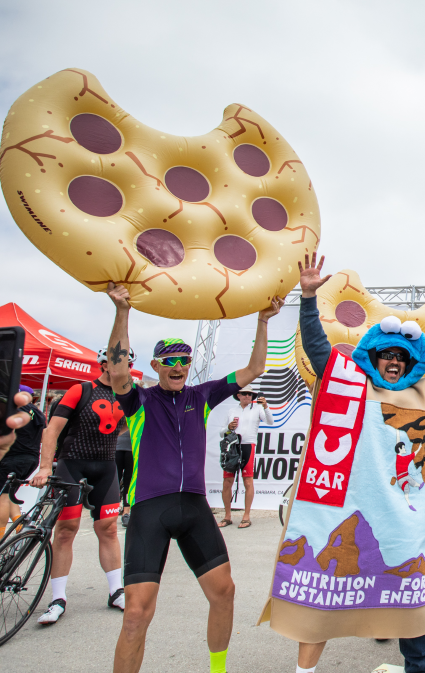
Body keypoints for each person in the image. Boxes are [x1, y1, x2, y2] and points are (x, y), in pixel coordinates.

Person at [266, 254, 425, 673]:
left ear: (409, 361)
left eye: (401, 355)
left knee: (408, 600)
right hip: (345, 509)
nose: (393, 360)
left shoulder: (423, 391)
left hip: (401, 517)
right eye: (386, 354)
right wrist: (308, 298)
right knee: (323, 598)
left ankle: (417, 667)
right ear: (374, 357)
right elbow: (319, 350)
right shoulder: (348, 384)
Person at [103, 281, 282, 673]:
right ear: (155, 367)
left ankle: (218, 670)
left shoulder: (201, 395)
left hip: (194, 508)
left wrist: (263, 320)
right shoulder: (139, 400)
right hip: (151, 509)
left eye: (183, 359)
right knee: (136, 614)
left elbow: (254, 369)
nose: (179, 366)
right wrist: (122, 311)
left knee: (225, 592)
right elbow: (117, 374)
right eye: (169, 361)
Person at [30, 348, 136, 624]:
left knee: (109, 529)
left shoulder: (128, 395)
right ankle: (57, 599)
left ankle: (116, 591)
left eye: (127, 364)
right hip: (72, 465)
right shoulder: (81, 390)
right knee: (66, 531)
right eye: (117, 363)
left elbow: (127, 428)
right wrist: (44, 468)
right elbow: (51, 430)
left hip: (105, 468)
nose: (122, 368)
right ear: (103, 364)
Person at [219, 386, 274, 529]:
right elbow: (221, 432)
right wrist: (228, 428)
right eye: (244, 394)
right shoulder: (232, 411)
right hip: (232, 446)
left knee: (248, 481)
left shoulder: (257, 409)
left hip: (248, 445)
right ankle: (227, 516)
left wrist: (266, 406)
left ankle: (246, 516)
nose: (247, 396)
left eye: (250, 394)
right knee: (227, 481)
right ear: (238, 395)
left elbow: (270, 421)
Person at [0, 385, 45, 538]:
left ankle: (0, 538)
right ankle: (20, 529)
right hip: (31, 459)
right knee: (9, 494)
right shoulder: (37, 412)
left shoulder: (13, 409)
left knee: (3, 497)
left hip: (13, 458)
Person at [115, 418, 133, 527]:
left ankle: (126, 512)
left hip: (132, 446)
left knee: (129, 481)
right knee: (114, 479)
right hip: (116, 446)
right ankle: (113, 508)